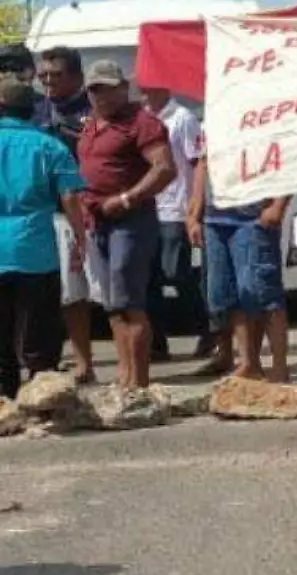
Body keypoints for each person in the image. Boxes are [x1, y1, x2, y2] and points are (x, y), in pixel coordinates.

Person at [73, 61, 174, 390]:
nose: (102, 95)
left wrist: (128, 198)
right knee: (113, 305)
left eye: (108, 87)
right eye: (95, 89)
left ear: (123, 87)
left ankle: (139, 383)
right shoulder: (91, 125)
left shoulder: (142, 123)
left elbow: (164, 169)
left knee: (130, 302)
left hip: (130, 220)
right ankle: (124, 376)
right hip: (96, 220)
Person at [0, 78, 86, 400]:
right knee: (39, 334)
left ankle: (3, 401)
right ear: (32, 108)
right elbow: (70, 197)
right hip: (36, 250)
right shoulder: (50, 145)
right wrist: (81, 236)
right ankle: (41, 400)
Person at [188, 157, 292, 382]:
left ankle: (280, 368)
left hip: (254, 217)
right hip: (216, 218)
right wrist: (194, 214)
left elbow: (289, 156)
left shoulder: (265, 122)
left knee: (264, 292)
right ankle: (249, 364)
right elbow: (203, 163)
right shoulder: (216, 123)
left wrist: (279, 205)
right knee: (229, 293)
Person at [34, 46, 100, 383]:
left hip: (80, 212)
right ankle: (45, 362)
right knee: (45, 294)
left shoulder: (92, 110)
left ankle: (85, 363)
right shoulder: (33, 110)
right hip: (40, 216)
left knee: (78, 296)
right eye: (43, 75)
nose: (47, 81)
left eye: (56, 75)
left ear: (76, 76)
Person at [142, 86, 212, 363]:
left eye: (147, 91)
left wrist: (195, 206)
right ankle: (157, 343)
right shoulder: (143, 119)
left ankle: (208, 328)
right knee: (150, 279)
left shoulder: (182, 118)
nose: (143, 96)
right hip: (149, 209)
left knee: (176, 272)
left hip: (175, 207)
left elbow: (197, 163)